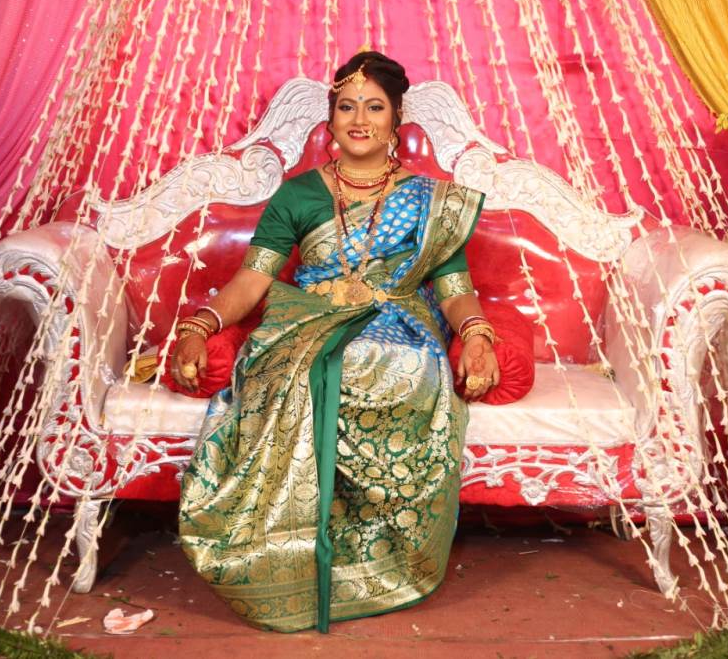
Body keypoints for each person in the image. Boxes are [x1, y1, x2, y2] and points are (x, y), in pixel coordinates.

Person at [175, 50, 499, 633]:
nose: (360, 119)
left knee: (389, 366)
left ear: (397, 119)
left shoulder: (433, 202)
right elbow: (252, 281)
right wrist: (201, 325)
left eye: (374, 107)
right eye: (347, 106)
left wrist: (476, 334)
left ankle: (375, 557)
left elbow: (455, 292)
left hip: (399, 322)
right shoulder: (298, 195)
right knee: (287, 372)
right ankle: (284, 556)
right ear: (330, 119)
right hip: (307, 318)